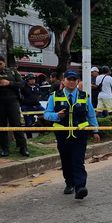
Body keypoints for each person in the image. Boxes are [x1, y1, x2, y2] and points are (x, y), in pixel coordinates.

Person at [43, 70, 100, 200]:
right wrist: (57, 116)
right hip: (62, 133)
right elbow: (47, 114)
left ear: (78, 82)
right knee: (66, 160)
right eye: (69, 79)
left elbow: (90, 115)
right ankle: (69, 183)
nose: (72, 81)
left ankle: (80, 187)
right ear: (63, 81)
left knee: (78, 161)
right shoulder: (54, 96)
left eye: (74, 79)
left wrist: (95, 130)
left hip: (80, 133)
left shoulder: (84, 96)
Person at [0, 54, 29, 157]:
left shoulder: (12, 72)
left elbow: (22, 84)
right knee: (1, 127)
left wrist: (9, 83)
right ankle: (4, 149)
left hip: (12, 102)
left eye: (0, 64)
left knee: (17, 125)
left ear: (4, 63)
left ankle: (23, 147)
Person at [20, 74, 44, 139]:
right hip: (26, 106)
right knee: (28, 123)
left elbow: (40, 95)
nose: (33, 80)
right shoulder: (23, 87)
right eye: (31, 79)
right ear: (27, 80)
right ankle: (29, 138)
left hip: (37, 105)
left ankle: (43, 133)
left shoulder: (37, 86)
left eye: (34, 79)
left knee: (46, 115)